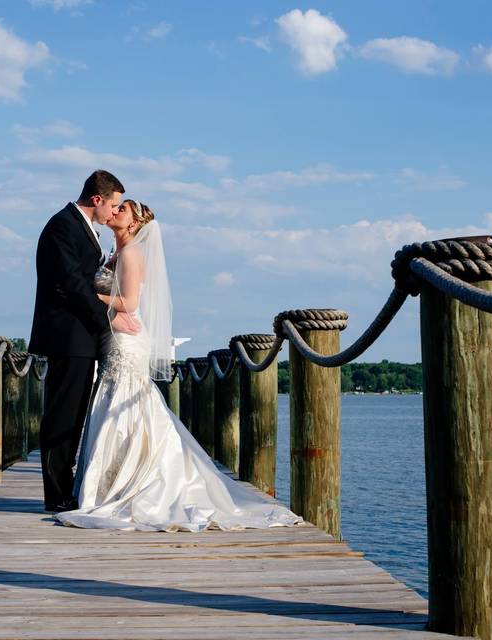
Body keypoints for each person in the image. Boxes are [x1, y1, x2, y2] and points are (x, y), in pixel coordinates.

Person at [55, 200, 303, 531]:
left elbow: (129, 303)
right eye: (116, 207)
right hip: (112, 335)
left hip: (126, 338)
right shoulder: (113, 255)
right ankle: (106, 483)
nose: (114, 212)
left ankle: (133, 481)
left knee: (126, 398)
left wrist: (88, 296)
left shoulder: (130, 255)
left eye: (122, 210)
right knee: (114, 399)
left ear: (134, 224)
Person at [29, 170, 140, 514]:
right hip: (67, 337)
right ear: (97, 200)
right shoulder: (63, 225)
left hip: (81, 338)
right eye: (114, 204)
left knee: (74, 417)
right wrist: (109, 316)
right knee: (62, 417)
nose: (114, 211)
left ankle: (66, 488)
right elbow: (70, 285)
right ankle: (57, 495)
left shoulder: (81, 227)